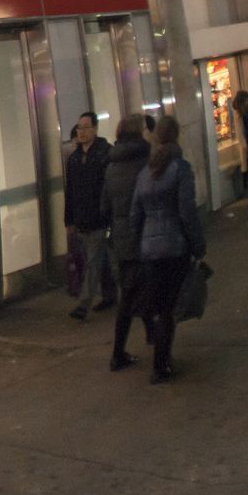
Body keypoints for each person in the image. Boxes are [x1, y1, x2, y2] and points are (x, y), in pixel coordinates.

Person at [128, 116, 205, 384]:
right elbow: (187, 212)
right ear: (177, 137)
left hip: (150, 250)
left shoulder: (145, 173)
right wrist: (198, 245)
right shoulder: (180, 169)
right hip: (174, 247)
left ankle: (161, 361)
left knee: (160, 306)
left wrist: (140, 244)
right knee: (170, 308)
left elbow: (135, 215)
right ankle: (161, 364)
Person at [103, 115, 154, 371]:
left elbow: (105, 207)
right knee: (142, 292)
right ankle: (119, 352)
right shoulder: (146, 163)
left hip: (122, 240)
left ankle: (149, 335)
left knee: (132, 289)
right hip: (145, 235)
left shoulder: (112, 167)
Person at [64, 112, 113, 320]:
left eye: (85, 127)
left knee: (93, 263)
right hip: (82, 219)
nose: (81, 132)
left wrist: (107, 212)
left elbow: (108, 188)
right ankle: (112, 295)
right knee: (101, 260)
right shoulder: (74, 158)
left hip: (99, 218)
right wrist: (69, 219)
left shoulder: (105, 154)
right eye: (79, 128)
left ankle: (83, 304)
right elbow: (71, 191)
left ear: (95, 129)